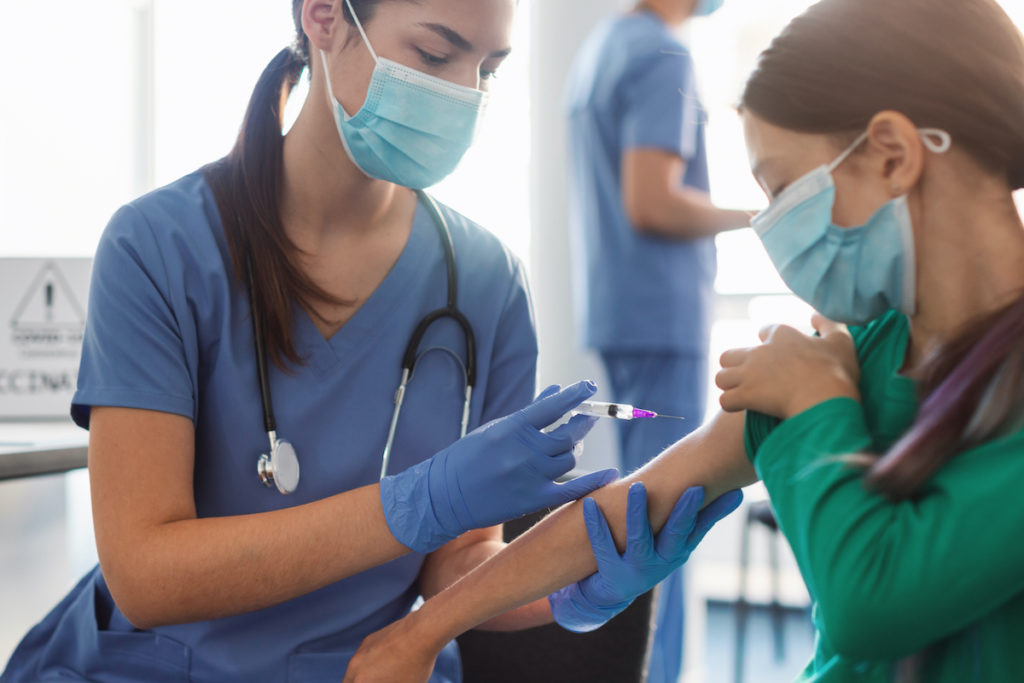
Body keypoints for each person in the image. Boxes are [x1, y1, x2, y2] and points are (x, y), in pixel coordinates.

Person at [1, 1, 740, 681]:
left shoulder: (485, 285)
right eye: (434, 54)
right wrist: (414, 502)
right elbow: (146, 574)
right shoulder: (159, 249)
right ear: (325, 17)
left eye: (488, 69)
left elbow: (459, 561)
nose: (465, 94)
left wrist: (572, 591)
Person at [342, 0, 1024, 681]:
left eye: (785, 191)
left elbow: (867, 607)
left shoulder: (827, 374)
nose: (772, 226)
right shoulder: (866, 347)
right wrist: (420, 631)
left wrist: (819, 401)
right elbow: (634, 499)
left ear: (895, 154)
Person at [565, 0, 751, 678]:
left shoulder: (603, 48)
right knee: (665, 515)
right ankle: (654, 670)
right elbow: (652, 199)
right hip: (661, 313)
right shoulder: (663, 55)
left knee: (644, 502)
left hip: (622, 310)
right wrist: (763, 213)